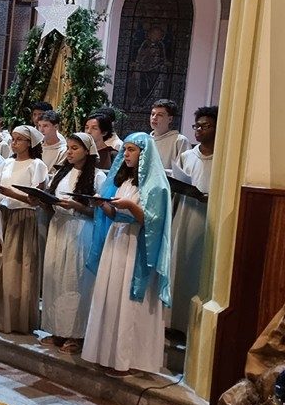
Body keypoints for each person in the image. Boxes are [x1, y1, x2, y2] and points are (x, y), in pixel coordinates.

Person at [83, 132, 172, 376]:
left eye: (132, 150)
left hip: (137, 247)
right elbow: (115, 213)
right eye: (126, 150)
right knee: (111, 298)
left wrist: (131, 206)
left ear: (144, 154)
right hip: (117, 241)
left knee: (129, 303)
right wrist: (104, 205)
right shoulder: (123, 180)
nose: (126, 154)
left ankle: (129, 360)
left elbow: (154, 223)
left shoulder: (156, 186)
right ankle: (106, 354)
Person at [39, 133, 106, 354]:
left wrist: (77, 206)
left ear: (87, 151)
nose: (69, 152)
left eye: (75, 148)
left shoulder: (97, 177)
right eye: (68, 147)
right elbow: (51, 200)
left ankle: (76, 334)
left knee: (75, 280)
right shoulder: (61, 172)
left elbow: (98, 212)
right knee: (55, 277)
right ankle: (57, 329)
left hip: (80, 229)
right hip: (59, 228)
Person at [0, 125, 48, 334]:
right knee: (2, 267)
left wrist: (10, 193)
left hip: (23, 217)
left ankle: (18, 320)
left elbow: (35, 199)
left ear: (30, 143)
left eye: (19, 139)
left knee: (19, 268)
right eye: (13, 139)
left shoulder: (37, 164)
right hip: (3, 216)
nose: (14, 143)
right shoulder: (6, 162)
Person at [167, 106, 216, 336]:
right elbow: (178, 182)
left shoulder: (223, 159)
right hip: (185, 214)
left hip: (208, 220)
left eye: (205, 126)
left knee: (200, 270)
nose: (199, 131)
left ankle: (194, 325)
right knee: (180, 266)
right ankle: (174, 322)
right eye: (196, 126)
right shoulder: (187, 156)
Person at [150, 99, 190, 169]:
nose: (154, 118)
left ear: (170, 119)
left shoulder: (179, 141)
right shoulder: (146, 140)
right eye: (153, 114)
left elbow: (184, 171)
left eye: (160, 115)